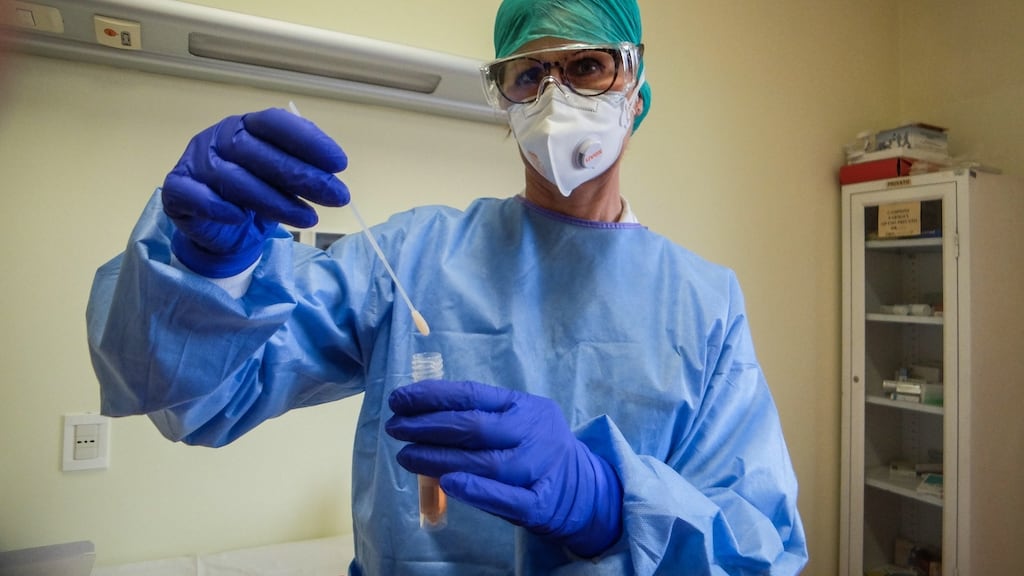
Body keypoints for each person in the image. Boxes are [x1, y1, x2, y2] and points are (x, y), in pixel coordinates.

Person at [87, 0, 808, 574]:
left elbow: (758, 543)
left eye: (587, 67)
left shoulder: (704, 302)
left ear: (636, 93)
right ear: (504, 102)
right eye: (529, 75)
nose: (555, 97)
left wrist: (611, 504)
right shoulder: (414, 254)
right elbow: (199, 402)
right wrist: (208, 267)